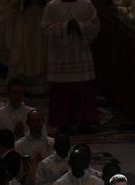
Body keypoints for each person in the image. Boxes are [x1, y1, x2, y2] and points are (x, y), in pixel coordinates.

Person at [41, 0, 100, 133]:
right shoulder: (52, 6)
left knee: (83, 89)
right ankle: (62, 121)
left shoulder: (87, 5)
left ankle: (86, 121)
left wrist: (80, 26)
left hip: (80, 54)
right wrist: (66, 26)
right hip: (60, 56)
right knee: (61, 91)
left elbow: (95, 26)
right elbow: (45, 27)